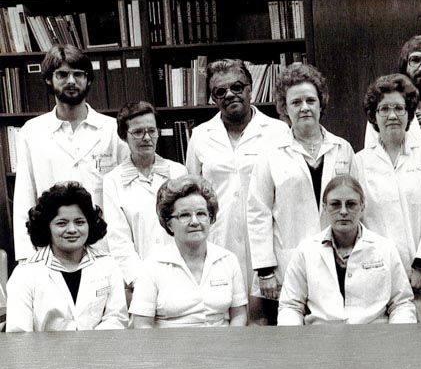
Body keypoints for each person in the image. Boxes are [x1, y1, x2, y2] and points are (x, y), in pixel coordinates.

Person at [247, 63, 355, 323]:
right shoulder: (271, 154)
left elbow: (357, 207)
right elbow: (258, 213)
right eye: (296, 102)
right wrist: (265, 270)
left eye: (310, 100)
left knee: (331, 332)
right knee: (290, 333)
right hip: (287, 261)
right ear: (285, 109)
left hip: (337, 259)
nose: (304, 107)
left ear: (321, 104)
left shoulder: (343, 148)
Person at [185, 58, 289, 323]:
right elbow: (192, 194)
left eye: (237, 87)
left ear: (250, 88)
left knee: (267, 320)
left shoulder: (278, 131)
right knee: (226, 318)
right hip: (219, 240)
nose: (230, 94)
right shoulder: (200, 135)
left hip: (267, 243)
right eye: (220, 91)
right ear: (212, 98)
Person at [12, 45, 129, 262]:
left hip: (106, 248)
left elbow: (128, 193)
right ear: (49, 79)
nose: (71, 81)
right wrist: (26, 254)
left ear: (89, 80)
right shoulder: (33, 131)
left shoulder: (112, 130)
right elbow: (24, 195)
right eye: (63, 74)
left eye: (78, 74)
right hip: (50, 250)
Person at [351, 74, 421, 320]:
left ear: (409, 114)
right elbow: (359, 221)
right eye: (384, 109)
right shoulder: (360, 161)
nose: (392, 115)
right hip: (378, 271)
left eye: (399, 108)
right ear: (373, 115)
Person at [278, 176, 417, 325]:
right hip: (322, 340)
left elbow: (401, 304)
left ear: (362, 207)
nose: (343, 211)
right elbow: (290, 306)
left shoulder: (385, 248)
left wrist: (396, 340)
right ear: (324, 207)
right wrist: (293, 341)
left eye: (351, 204)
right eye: (335, 204)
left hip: (374, 340)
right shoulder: (306, 251)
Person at [6, 182, 127, 332]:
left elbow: (116, 318)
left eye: (80, 222)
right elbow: (19, 334)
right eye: (61, 223)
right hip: (43, 355)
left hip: (99, 351)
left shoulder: (108, 265)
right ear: (46, 227)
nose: (72, 230)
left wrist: (90, 348)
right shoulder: (24, 274)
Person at [129, 175, 248, 328]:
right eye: (184, 215)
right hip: (171, 350)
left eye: (201, 214)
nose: (195, 222)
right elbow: (142, 325)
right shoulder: (152, 267)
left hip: (221, 347)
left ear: (210, 218)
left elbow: (239, 314)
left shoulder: (228, 260)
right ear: (169, 224)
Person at [103, 101, 187, 294]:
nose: (147, 137)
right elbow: (118, 240)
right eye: (138, 132)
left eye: (152, 130)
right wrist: (141, 281)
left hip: (181, 275)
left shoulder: (178, 172)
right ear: (124, 136)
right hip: (138, 282)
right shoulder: (113, 181)